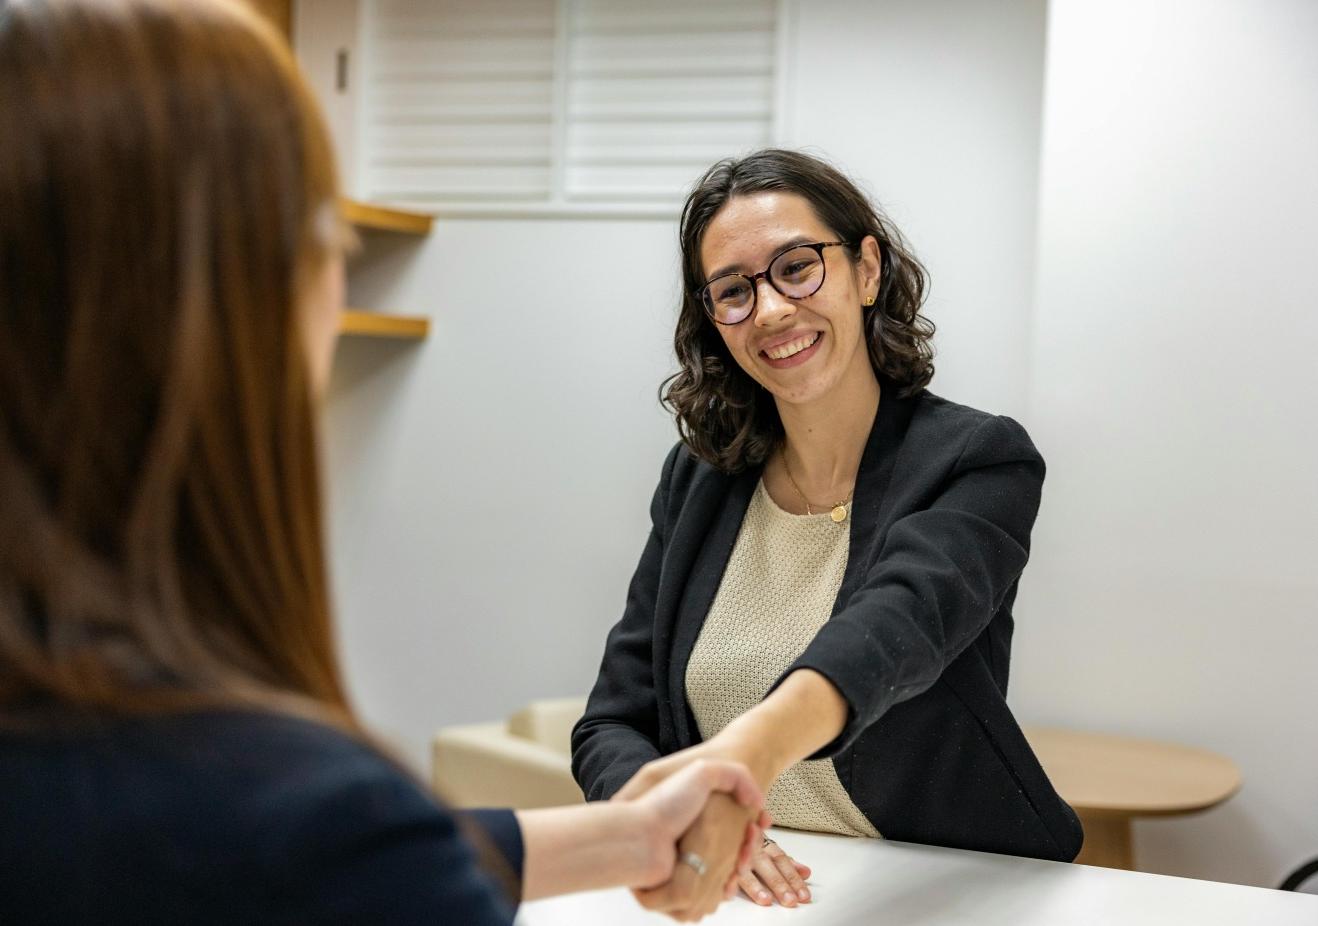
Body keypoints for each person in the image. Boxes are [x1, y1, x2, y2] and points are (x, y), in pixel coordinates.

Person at [0, 1, 765, 923]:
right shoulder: (292, 810)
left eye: (798, 268)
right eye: (332, 247)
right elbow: (324, 850)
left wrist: (621, 837)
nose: (769, 310)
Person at [572, 148, 1086, 910]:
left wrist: (741, 762)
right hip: (746, 892)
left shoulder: (979, 460)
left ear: (866, 271)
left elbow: (892, 631)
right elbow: (612, 724)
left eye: (797, 267)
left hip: (948, 890)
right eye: (734, 291)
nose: (772, 309)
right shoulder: (700, 480)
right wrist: (679, 823)